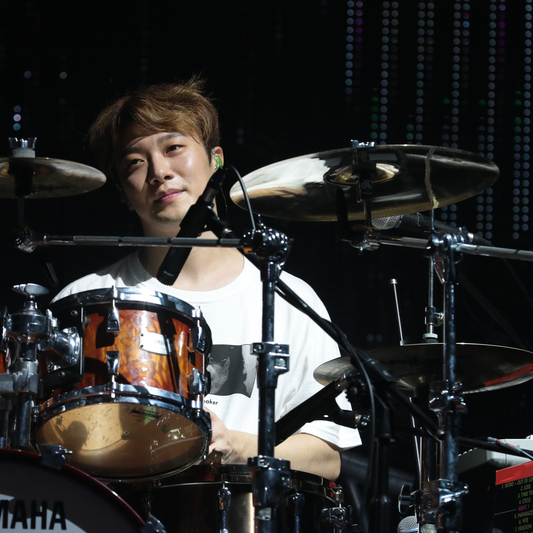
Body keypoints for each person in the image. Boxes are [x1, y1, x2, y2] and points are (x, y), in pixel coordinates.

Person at [52, 77, 360, 481]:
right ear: (124, 193)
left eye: (173, 148)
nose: (159, 171)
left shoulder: (288, 298)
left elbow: (328, 457)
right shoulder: (86, 301)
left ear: (216, 160)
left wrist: (236, 445)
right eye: (135, 162)